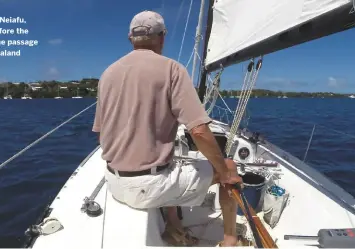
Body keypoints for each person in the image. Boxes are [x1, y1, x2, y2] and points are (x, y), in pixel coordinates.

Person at [92, 10, 244, 247]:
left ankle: (173, 224)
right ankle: (230, 240)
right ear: (162, 37)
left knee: (168, 163)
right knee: (229, 166)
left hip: (114, 182)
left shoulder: (107, 74)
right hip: (147, 188)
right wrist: (224, 172)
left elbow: (102, 134)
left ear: (131, 39)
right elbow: (200, 131)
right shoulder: (172, 69)